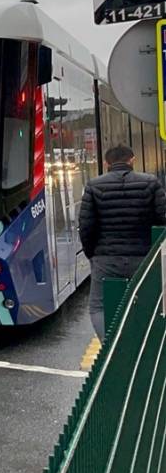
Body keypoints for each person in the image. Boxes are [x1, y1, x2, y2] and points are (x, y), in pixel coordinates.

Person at [79, 145, 166, 339]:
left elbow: (86, 226)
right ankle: (144, 342)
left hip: (106, 259)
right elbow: (162, 219)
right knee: (149, 302)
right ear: (132, 160)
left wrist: (93, 255)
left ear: (106, 163)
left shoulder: (93, 186)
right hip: (144, 257)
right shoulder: (151, 183)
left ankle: (110, 344)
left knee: (98, 306)